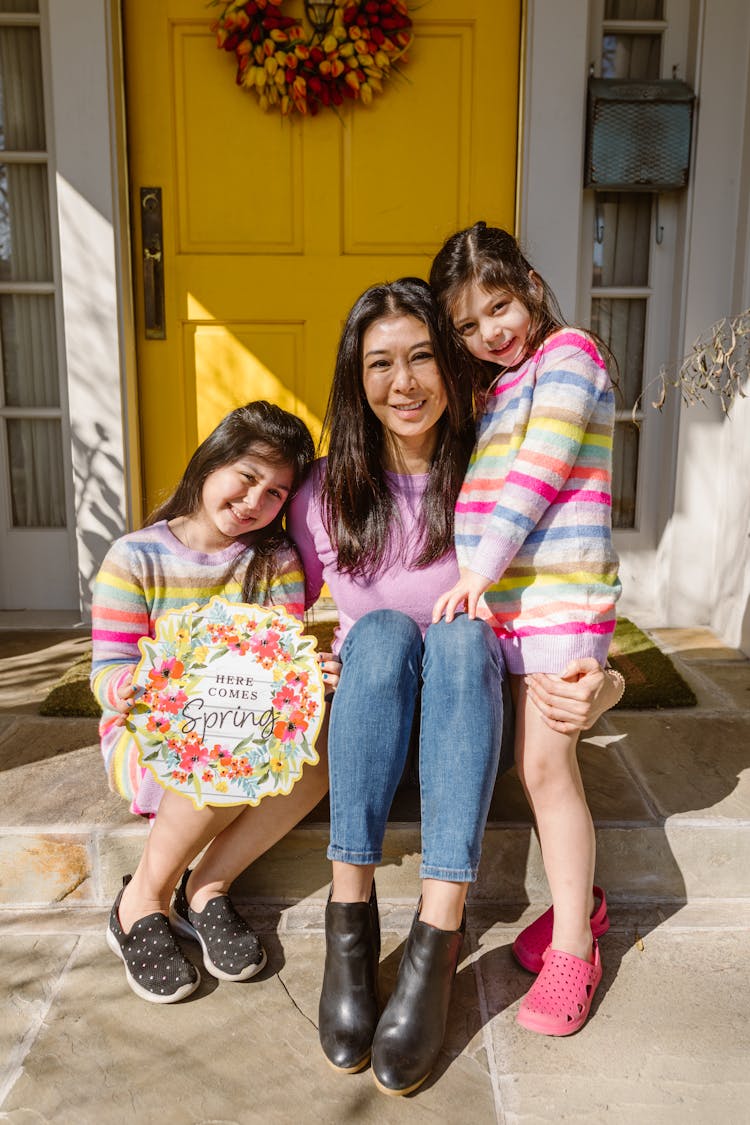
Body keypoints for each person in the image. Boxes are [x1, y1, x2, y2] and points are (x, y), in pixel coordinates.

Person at [288, 279, 622, 1094]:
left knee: (463, 631)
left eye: (422, 357)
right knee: (381, 633)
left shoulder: (493, 475)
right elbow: (265, 625)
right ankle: (350, 925)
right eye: (380, 364)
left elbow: (569, 594)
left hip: (466, 740)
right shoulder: (322, 494)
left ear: (453, 365)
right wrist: (305, 660)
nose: (403, 383)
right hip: (367, 742)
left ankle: (437, 935)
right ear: (354, 378)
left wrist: (604, 682)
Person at [430, 222, 624, 1037]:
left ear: (532, 284)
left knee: (545, 766)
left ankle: (576, 947)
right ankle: (591, 901)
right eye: (469, 327)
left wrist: (478, 568)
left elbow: (540, 472)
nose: (489, 335)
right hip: (513, 599)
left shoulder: (570, 356)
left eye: (499, 307)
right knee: (527, 761)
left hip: (560, 597)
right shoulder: (500, 384)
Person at [91, 401, 340, 1003]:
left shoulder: (273, 560)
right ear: (211, 462)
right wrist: (151, 686)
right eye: (247, 477)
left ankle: (206, 885)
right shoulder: (136, 557)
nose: (257, 501)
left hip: (245, 731)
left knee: (325, 740)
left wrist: (310, 674)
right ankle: (139, 902)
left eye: (277, 493)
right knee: (224, 744)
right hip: (150, 735)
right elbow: (107, 676)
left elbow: (279, 663)